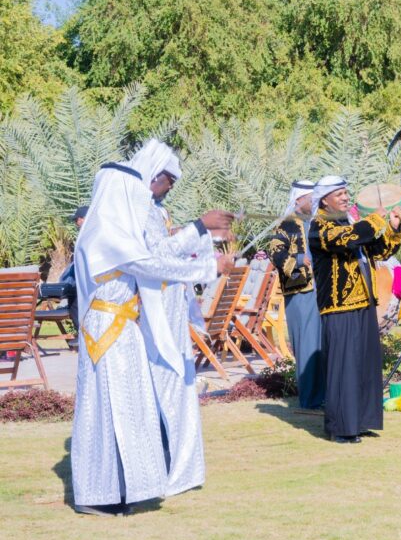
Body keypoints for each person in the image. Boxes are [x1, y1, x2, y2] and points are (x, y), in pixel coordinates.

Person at [71, 140, 233, 516]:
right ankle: (99, 493)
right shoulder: (105, 235)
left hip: (121, 325)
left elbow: (151, 257)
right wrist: (207, 269)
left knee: (126, 410)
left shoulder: (113, 233)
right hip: (107, 329)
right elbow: (149, 264)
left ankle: (120, 489)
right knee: (109, 411)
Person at [141, 141, 233, 498]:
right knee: (163, 386)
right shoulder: (140, 210)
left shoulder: (156, 211)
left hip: (171, 307)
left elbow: (167, 248)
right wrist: (198, 226)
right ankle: (164, 465)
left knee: (179, 387)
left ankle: (181, 468)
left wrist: (201, 234)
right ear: (153, 176)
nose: (171, 186)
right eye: (169, 179)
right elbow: (155, 257)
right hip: (154, 312)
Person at [308, 176, 401, 443]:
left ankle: (361, 421)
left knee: (364, 364)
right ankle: (342, 427)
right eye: (338, 193)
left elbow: (377, 250)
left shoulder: (349, 223)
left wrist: (393, 229)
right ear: (325, 199)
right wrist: (375, 219)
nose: (344, 197)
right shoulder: (319, 226)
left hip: (364, 301)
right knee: (344, 367)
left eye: (345, 192)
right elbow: (347, 240)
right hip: (339, 305)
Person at [268, 180, 325, 409]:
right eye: (311, 198)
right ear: (299, 199)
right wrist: (301, 260)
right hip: (301, 291)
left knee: (321, 345)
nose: (313, 203)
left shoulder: (315, 223)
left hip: (320, 290)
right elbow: (274, 252)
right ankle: (310, 400)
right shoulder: (287, 224)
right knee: (308, 345)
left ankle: (322, 395)